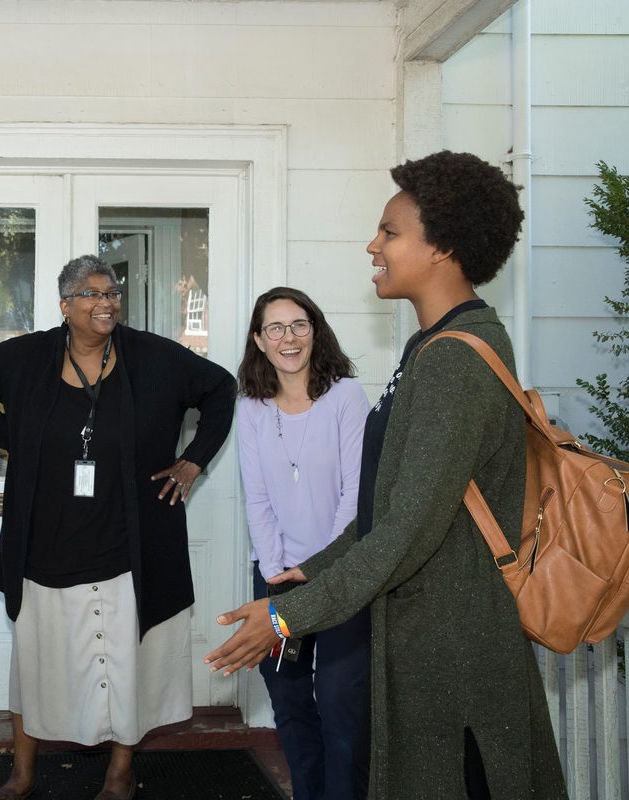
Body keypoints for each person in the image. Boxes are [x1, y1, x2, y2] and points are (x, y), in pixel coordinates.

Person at [205, 151, 567, 799]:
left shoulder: (454, 361)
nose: (373, 245)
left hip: (452, 654)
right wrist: (312, 568)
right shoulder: (429, 349)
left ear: (443, 248)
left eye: (390, 233)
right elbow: (389, 506)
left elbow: (405, 531)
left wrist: (288, 617)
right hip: (420, 640)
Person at [0, 255, 236, 800]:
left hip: (131, 540)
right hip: (45, 543)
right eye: (92, 293)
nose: (106, 302)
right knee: (34, 660)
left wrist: (194, 459)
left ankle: (120, 773)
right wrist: (11, 434)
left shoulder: (152, 356)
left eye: (112, 292)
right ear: (66, 304)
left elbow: (221, 387)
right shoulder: (30, 356)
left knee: (125, 661)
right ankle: (23, 774)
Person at [236, 287, 371, 800]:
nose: (288, 338)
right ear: (259, 340)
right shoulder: (250, 407)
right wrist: (275, 571)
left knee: (339, 701)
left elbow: (354, 495)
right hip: (276, 576)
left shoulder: (345, 397)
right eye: (275, 328)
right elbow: (258, 498)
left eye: (298, 325)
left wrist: (320, 569)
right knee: (290, 704)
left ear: (316, 331)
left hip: (340, 576)